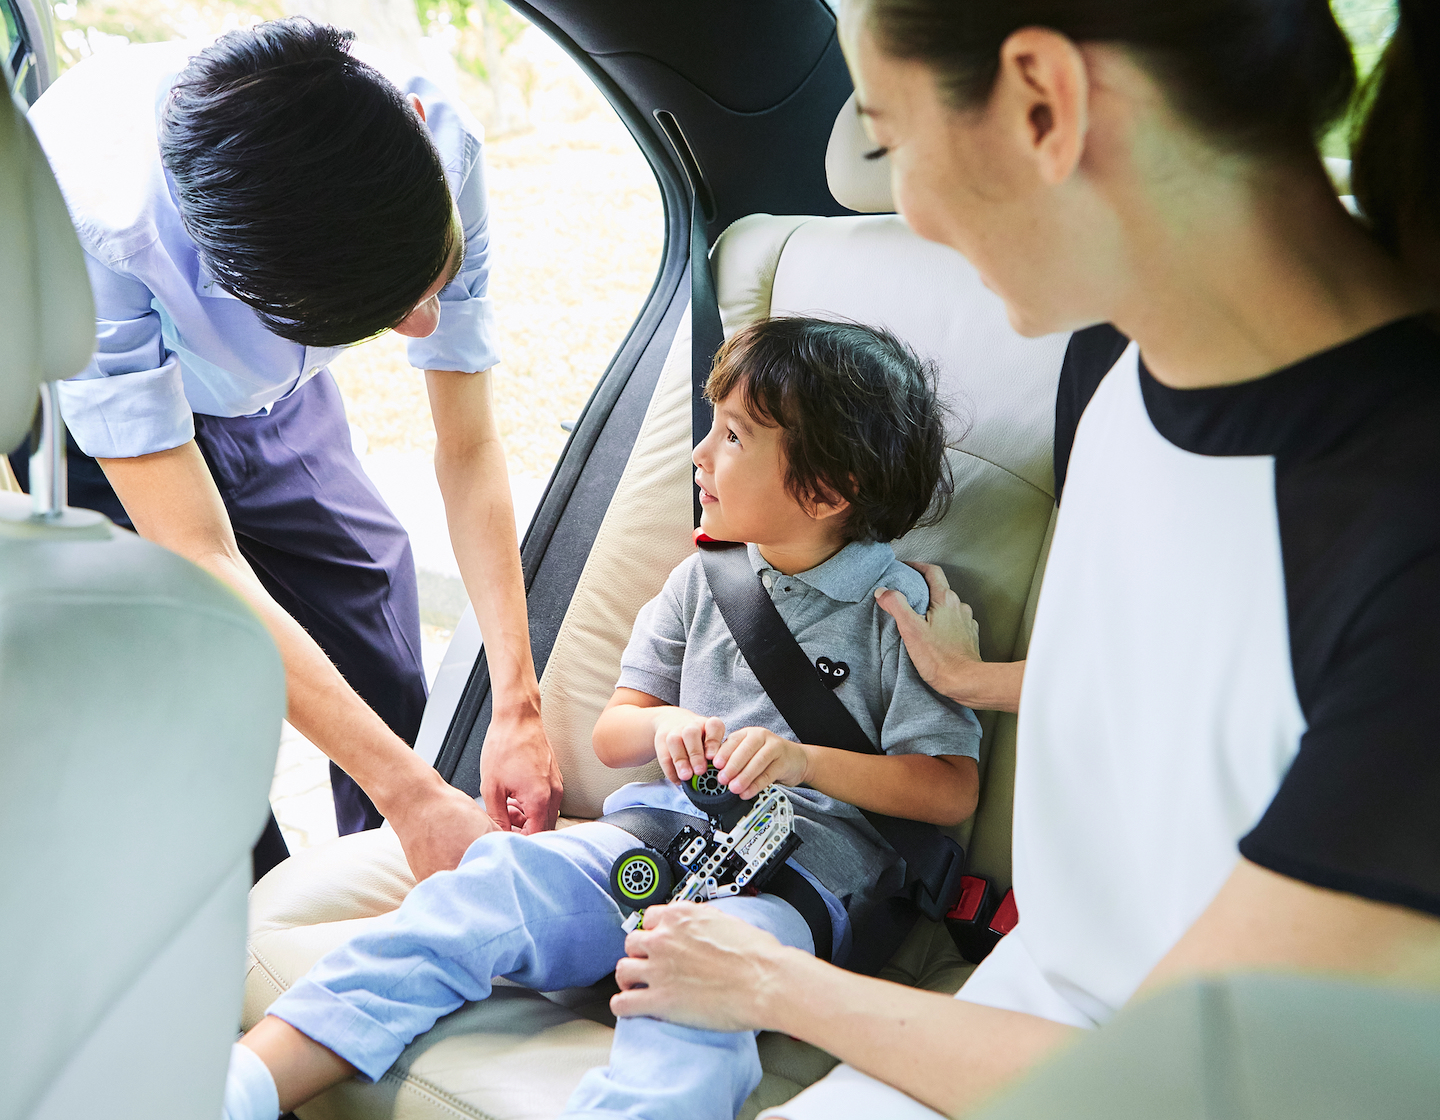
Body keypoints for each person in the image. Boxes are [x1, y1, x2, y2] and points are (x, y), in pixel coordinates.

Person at [606, 2, 1440, 1117]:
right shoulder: (1116, 362)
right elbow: (1241, 680)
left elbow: (1197, 1078)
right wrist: (984, 683)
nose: (900, 201)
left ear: (1044, 102)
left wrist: (771, 979)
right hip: (1027, 1017)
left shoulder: (1405, 526)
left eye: (890, 133)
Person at [218, 316, 983, 1120]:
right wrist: (666, 730)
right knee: (485, 890)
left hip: (791, 888)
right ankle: (249, 1084)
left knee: (694, 999)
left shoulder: (903, 611)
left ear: (826, 491)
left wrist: (803, 762)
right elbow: (616, 731)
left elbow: (948, 791)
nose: (700, 454)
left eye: (732, 437)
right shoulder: (704, 580)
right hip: (650, 844)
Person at [15, 18, 562, 879]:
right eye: (388, 319)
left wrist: (517, 703)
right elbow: (196, 549)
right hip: (87, 415)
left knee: (369, 584)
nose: (423, 326)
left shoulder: (428, 144)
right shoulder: (89, 221)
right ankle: (262, 917)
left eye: (433, 280)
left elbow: (468, 443)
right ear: (232, 279)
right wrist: (410, 795)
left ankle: (395, 860)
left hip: (272, 402)